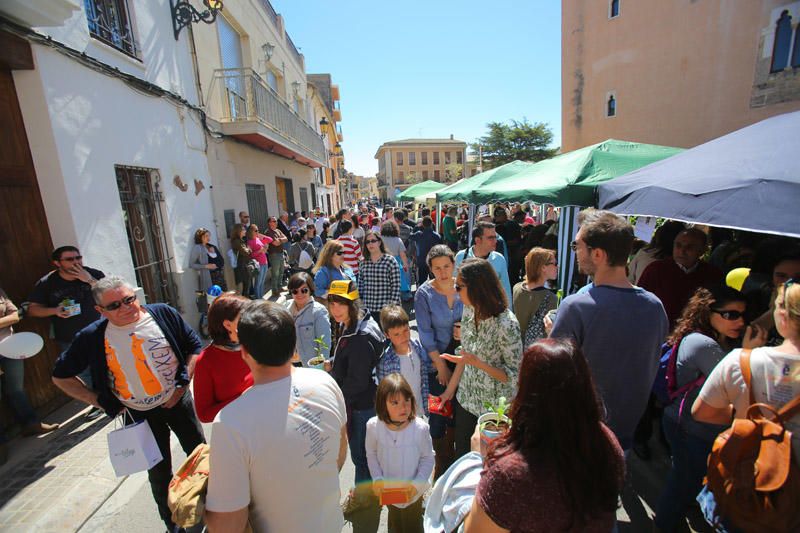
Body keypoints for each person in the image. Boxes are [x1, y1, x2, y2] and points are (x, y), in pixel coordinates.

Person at [51, 276, 205, 531]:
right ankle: (173, 524)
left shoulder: (162, 314)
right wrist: (99, 401)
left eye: (129, 299)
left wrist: (182, 385)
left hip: (178, 402)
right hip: (139, 415)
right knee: (159, 473)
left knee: (200, 457)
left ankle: (211, 508)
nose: (125, 307)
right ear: (100, 311)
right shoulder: (91, 337)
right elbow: (60, 375)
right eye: (114, 306)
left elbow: (194, 347)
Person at [204, 300, 348, 533]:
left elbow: (228, 525)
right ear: (293, 347)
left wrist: (203, 503)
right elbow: (340, 451)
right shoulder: (325, 382)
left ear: (245, 352)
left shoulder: (229, 422)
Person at [463, 339, 625, 532]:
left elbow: (473, 529)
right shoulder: (607, 442)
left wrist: (475, 461)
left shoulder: (510, 476)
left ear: (527, 392)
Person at [549, 209, 668, 451]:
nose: (575, 251)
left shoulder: (577, 307)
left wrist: (550, 335)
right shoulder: (655, 307)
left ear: (598, 254)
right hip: (623, 437)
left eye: (577, 245)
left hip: (578, 436)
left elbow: (552, 374)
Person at [654, 285, 764, 532]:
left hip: (690, 426)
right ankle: (664, 524)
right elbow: (736, 384)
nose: (740, 321)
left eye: (742, 315)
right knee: (683, 480)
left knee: (685, 478)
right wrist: (749, 352)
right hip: (690, 429)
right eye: (730, 315)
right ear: (707, 312)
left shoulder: (711, 338)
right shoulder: (703, 344)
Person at [691, 279, 800, 528]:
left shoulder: (742, 361)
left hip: (749, 479)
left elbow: (702, 412)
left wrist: (744, 415)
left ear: (780, 316)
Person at [439, 258, 523, 458]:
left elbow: (515, 376)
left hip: (494, 411)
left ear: (477, 288)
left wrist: (479, 364)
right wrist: (449, 392)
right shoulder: (469, 310)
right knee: (463, 457)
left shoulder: (506, 324)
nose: (456, 292)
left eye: (459, 287)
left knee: (490, 465)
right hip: (467, 400)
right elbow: (466, 355)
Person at [327, 280, 384, 530]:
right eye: (332, 303)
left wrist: (332, 396)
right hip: (363, 403)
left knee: (361, 458)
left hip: (361, 406)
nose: (336, 309)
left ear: (353, 304)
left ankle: (364, 503)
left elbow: (357, 382)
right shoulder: (354, 324)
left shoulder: (360, 336)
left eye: (342, 304)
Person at [28, 245, 105, 398]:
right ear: (57, 263)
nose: (76, 262)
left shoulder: (93, 274)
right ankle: (101, 401)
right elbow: (32, 310)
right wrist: (54, 311)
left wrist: (89, 280)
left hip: (101, 330)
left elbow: (111, 294)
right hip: (70, 337)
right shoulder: (47, 283)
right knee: (85, 372)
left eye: (78, 258)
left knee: (109, 366)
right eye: (70, 259)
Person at [414, 244, 463, 477]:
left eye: (446, 266)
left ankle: (455, 462)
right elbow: (424, 332)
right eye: (437, 268)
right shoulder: (424, 294)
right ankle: (440, 462)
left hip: (463, 361)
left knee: (459, 412)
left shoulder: (464, 288)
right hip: (435, 363)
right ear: (431, 269)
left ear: (454, 265)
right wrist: (441, 366)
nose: (443, 272)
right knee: (437, 412)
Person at [366, 374, 435, 533]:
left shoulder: (420, 428)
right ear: (383, 404)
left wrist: (416, 485)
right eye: (395, 403)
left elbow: (428, 458)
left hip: (413, 493)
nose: (403, 407)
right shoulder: (373, 427)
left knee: (412, 524)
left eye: (407, 401)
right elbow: (371, 454)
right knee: (395, 521)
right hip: (389, 491)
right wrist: (377, 479)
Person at [0, 288, 59, 464]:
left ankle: (30, 424)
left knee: (16, 389)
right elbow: (10, 317)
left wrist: (9, 319)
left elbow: (15, 316)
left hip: (10, 346)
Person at [638, 227, 723, 327]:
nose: (682, 251)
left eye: (689, 247)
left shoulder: (712, 274)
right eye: (678, 245)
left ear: (702, 250)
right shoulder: (656, 269)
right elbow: (640, 303)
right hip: (659, 331)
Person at [193, 293, 252, 423]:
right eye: (246, 317)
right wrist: (244, 399)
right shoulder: (206, 361)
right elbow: (204, 414)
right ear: (228, 325)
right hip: (237, 434)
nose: (253, 320)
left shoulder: (253, 345)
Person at [377, 306, 431, 415]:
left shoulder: (417, 346)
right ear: (387, 335)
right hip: (400, 414)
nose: (403, 336)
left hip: (419, 408)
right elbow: (385, 393)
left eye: (406, 330)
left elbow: (425, 371)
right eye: (396, 334)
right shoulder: (386, 362)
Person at [455, 222, 512, 304]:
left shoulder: (499, 259)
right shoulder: (461, 257)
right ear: (478, 240)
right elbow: (455, 287)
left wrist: (508, 312)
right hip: (466, 312)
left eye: (495, 237)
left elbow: (505, 290)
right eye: (490, 238)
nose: (495, 241)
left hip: (492, 312)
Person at [513, 247, 558, 346]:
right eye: (554, 264)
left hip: (516, 346)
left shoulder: (516, 288)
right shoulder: (551, 298)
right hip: (536, 351)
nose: (557, 267)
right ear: (543, 268)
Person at [285, 272, 331, 365]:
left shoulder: (318, 312)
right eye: (295, 291)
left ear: (310, 290)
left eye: (304, 290)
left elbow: (324, 344)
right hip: (289, 364)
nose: (299, 294)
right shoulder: (286, 307)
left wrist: (320, 368)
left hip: (310, 365)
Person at [357, 230, 401, 326]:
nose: (370, 244)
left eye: (373, 241)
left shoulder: (390, 261)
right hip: (368, 310)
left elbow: (396, 287)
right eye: (367, 242)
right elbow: (360, 286)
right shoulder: (363, 262)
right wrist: (360, 307)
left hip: (385, 310)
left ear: (379, 242)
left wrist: (391, 309)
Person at [381, 220, 412, 302]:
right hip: (396, 263)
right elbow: (402, 254)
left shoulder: (380, 239)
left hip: (382, 262)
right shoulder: (398, 240)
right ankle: (404, 297)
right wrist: (405, 264)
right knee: (399, 281)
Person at [409, 216, 442, 284]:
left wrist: (417, 227)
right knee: (434, 281)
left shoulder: (419, 234)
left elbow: (410, 236)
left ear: (423, 224)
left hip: (422, 261)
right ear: (431, 223)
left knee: (422, 281)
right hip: (433, 260)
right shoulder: (437, 236)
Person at [189, 228, 223, 293]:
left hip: (217, 276)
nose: (208, 237)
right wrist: (206, 266)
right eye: (205, 236)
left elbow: (220, 260)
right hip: (207, 277)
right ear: (200, 237)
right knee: (211, 296)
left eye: (209, 235)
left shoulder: (209, 246)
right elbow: (191, 264)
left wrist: (213, 253)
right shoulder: (197, 247)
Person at [246, 224, 273, 299]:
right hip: (258, 264)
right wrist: (260, 250)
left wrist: (262, 236)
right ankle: (258, 299)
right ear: (251, 232)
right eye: (256, 230)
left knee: (262, 282)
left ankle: (261, 297)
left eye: (258, 230)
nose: (258, 232)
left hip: (265, 262)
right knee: (258, 283)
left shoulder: (258, 238)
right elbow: (250, 255)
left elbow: (270, 240)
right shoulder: (250, 242)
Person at [264, 216, 289, 298]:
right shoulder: (268, 232)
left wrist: (280, 240)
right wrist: (281, 240)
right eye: (274, 221)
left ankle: (279, 287)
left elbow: (286, 238)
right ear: (269, 223)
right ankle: (274, 290)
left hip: (280, 253)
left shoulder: (278, 230)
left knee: (281, 271)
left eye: (276, 221)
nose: (276, 222)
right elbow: (275, 243)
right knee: (275, 273)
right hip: (274, 254)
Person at [229, 223, 253, 297]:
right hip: (241, 266)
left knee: (247, 285)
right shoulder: (236, 241)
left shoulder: (241, 240)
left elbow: (248, 250)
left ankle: (246, 300)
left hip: (245, 264)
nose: (245, 231)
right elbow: (246, 252)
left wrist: (248, 249)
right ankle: (244, 302)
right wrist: (248, 249)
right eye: (243, 229)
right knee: (245, 286)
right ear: (238, 231)